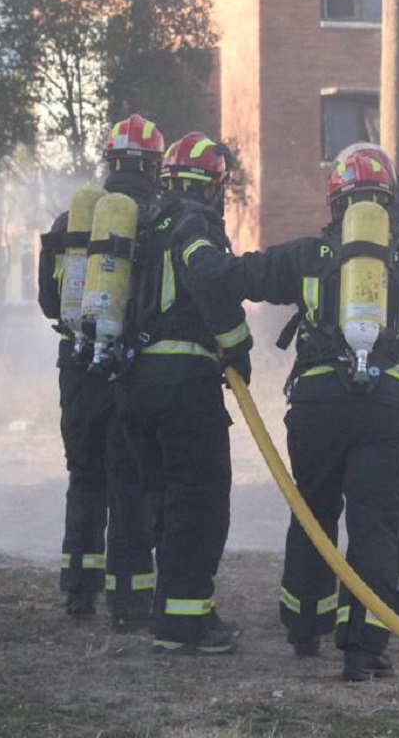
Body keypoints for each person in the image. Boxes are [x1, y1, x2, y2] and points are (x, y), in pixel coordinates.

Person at [185, 143, 399, 681]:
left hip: (318, 405)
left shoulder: (306, 256)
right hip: (388, 409)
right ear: (390, 202)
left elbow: (228, 279)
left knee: (315, 511)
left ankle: (305, 627)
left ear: (335, 204)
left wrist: (190, 245)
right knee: (376, 526)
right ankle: (362, 647)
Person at [114, 129, 252, 656]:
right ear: (213, 186)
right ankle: (183, 625)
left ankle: (175, 610)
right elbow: (212, 283)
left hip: (134, 386)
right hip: (183, 387)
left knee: (165, 503)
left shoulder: (143, 224)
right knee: (200, 503)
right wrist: (239, 347)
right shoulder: (195, 223)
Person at [35, 115, 159, 631]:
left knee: (84, 478)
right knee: (127, 484)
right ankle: (129, 603)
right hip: (127, 370)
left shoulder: (70, 223)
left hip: (77, 369)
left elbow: (49, 302)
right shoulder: (154, 219)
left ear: (108, 162)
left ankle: (79, 591)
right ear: (154, 166)